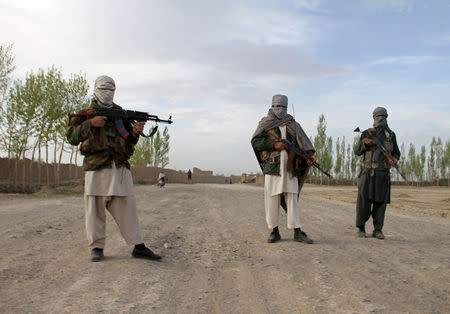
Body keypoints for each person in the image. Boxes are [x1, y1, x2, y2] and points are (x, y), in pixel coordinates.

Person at [66, 75, 161, 262]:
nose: (107, 93)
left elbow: (128, 140)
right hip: (96, 166)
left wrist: (136, 132)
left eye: (111, 90)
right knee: (95, 208)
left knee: (128, 207)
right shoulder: (85, 113)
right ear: (95, 90)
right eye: (104, 89)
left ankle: (138, 245)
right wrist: (90, 124)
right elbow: (71, 137)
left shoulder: (121, 114)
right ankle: (96, 248)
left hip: (119, 166)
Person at [251, 94, 315, 244]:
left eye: (281, 106)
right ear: (271, 106)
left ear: (286, 107)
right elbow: (255, 141)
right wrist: (273, 145)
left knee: (292, 198)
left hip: (290, 168)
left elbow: (304, 142)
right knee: (272, 199)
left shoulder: (293, 124)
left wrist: (310, 155)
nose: (278, 109)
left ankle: (297, 231)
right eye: (275, 106)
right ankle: (274, 231)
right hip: (273, 167)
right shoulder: (265, 123)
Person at [354, 107, 401, 240]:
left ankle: (378, 229)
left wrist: (395, 159)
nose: (381, 119)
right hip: (367, 172)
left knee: (381, 202)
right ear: (373, 117)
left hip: (383, 173)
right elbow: (357, 151)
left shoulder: (390, 135)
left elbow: (396, 152)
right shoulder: (367, 133)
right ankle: (361, 227)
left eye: (383, 116)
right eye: (378, 116)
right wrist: (365, 143)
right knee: (363, 201)